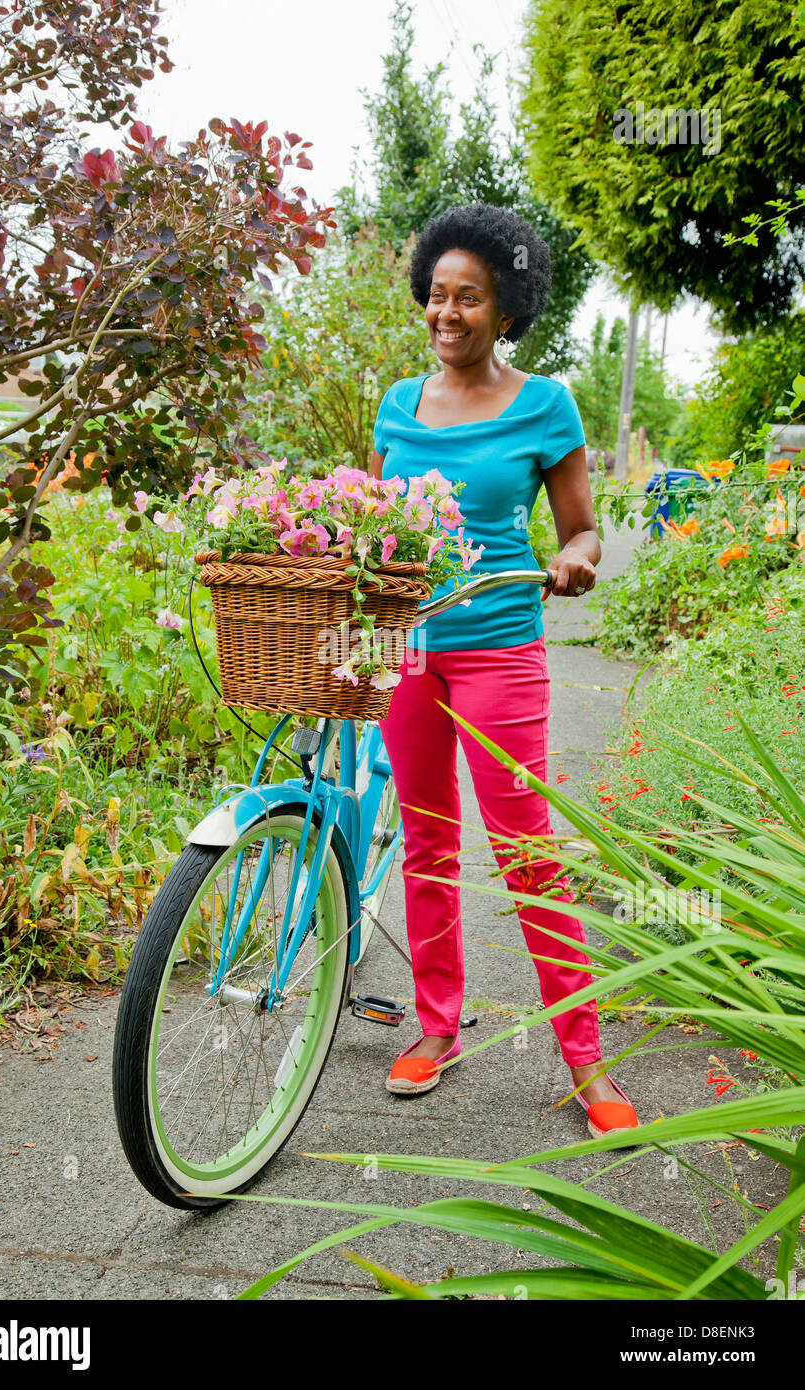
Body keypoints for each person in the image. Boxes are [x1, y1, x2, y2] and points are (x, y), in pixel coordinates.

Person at [368, 203, 638, 1139]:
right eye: (436, 296)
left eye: (469, 298)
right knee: (429, 843)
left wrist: (579, 558)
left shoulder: (544, 404)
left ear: (507, 307)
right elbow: (374, 525)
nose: (447, 313)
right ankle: (436, 1026)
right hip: (409, 652)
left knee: (527, 852)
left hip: (500, 651)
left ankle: (585, 1057)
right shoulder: (398, 405)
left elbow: (581, 525)